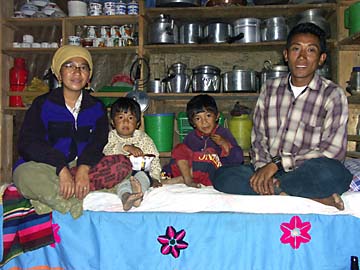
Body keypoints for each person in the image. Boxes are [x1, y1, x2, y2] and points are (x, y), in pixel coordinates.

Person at [212, 23, 353, 210]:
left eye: (311, 50)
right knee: (222, 176)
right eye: (296, 49)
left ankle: (279, 190)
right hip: (272, 173)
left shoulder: (333, 94)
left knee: (334, 173)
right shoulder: (270, 89)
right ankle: (294, 194)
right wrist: (264, 171)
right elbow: (259, 140)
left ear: (321, 59)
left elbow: (333, 151)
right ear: (286, 55)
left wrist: (276, 165)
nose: (302, 56)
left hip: (306, 173)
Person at [12, 45, 132, 219]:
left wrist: (83, 168)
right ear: (59, 74)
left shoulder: (96, 107)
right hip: (48, 168)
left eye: (83, 67)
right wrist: (61, 168)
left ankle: (48, 198)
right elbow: (28, 143)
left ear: (88, 76)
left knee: (123, 164)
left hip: (81, 169)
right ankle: (73, 204)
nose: (77, 72)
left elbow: (98, 142)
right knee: (23, 175)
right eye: (69, 66)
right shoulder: (43, 104)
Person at [162, 94, 244, 188]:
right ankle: (187, 179)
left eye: (208, 116)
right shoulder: (191, 137)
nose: (204, 122)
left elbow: (238, 160)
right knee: (179, 148)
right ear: (192, 122)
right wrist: (166, 172)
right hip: (191, 173)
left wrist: (225, 144)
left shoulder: (223, 134)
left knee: (209, 156)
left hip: (214, 175)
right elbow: (180, 157)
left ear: (217, 116)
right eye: (198, 118)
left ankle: (183, 179)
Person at [103, 97, 162, 211]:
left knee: (143, 177)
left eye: (131, 118)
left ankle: (138, 194)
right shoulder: (110, 137)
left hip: (139, 173)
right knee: (121, 183)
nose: (126, 122)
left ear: (138, 123)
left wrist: (155, 178)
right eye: (121, 117)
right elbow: (107, 152)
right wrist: (125, 147)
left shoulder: (144, 139)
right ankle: (126, 198)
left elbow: (154, 159)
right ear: (112, 122)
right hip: (119, 175)